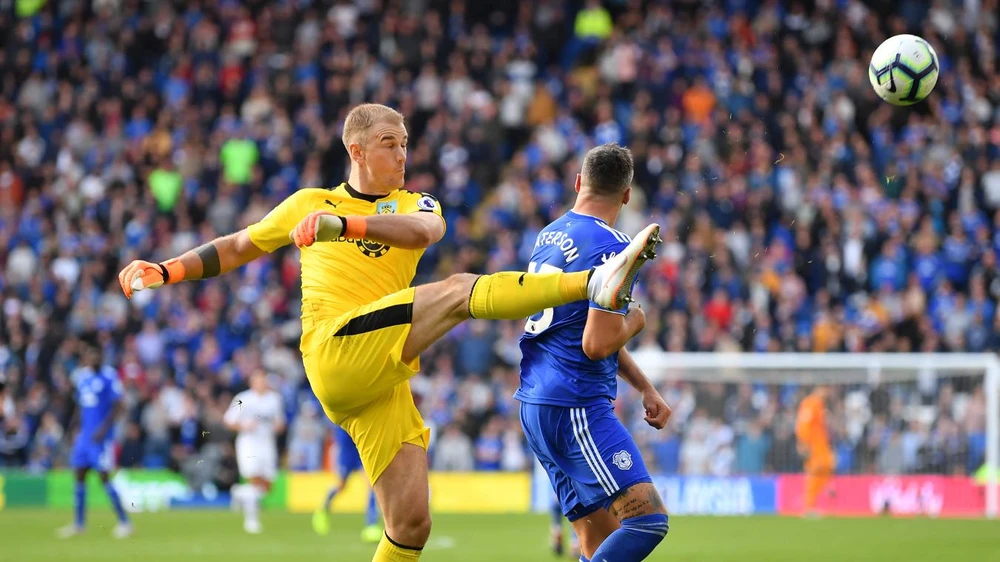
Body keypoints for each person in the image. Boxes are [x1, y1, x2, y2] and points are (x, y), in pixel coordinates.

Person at [118, 103, 660, 562]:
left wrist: (347, 225)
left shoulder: (414, 204)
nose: (402, 154)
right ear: (356, 150)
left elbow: (425, 230)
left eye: (405, 144)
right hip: (335, 347)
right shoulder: (309, 203)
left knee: (410, 524)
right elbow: (238, 246)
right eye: (388, 144)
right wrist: (168, 270)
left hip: (378, 374)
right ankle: (592, 281)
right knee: (458, 290)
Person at [517, 143, 671, 562]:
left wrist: (644, 386)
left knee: (598, 543)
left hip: (536, 404)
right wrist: (637, 321)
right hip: (576, 406)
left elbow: (583, 332)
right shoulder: (614, 248)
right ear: (626, 194)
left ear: (578, 182)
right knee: (647, 521)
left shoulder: (549, 234)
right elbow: (597, 343)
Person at [57, 341, 133, 539]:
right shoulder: (83, 377)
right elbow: (80, 407)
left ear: (102, 357)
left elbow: (119, 406)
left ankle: (125, 522)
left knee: (104, 477)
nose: (94, 359)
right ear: (86, 358)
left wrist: (104, 429)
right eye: (91, 356)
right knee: (79, 475)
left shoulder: (109, 376)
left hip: (101, 439)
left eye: (97, 355)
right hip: (84, 437)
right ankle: (79, 524)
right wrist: (72, 429)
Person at [223, 371, 286, 534]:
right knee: (254, 480)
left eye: (263, 380)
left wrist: (278, 426)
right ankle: (251, 521)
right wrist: (244, 426)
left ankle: (238, 492)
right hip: (249, 444)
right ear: (251, 382)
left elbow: (280, 422)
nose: (261, 383)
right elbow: (228, 420)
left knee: (267, 486)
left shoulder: (274, 399)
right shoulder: (242, 398)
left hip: (267, 444)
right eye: (257, 380)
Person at [313, 424, 383, 543]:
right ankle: (324, 508)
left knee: (371, 485)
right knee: (341, 485)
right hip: (347, 448)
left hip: (362, 446)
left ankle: (371, 525)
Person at [795, 385, 834, 517]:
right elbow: (803, 424)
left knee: (827, 465)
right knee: (814, 472)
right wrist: (804, 442)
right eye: (826, 389)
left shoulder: (819, 404)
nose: (828, 393)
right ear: (819, 389)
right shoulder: (810, 403)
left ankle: (815, 498)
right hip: (813, 445)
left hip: (821, 445)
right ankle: (808, 506)